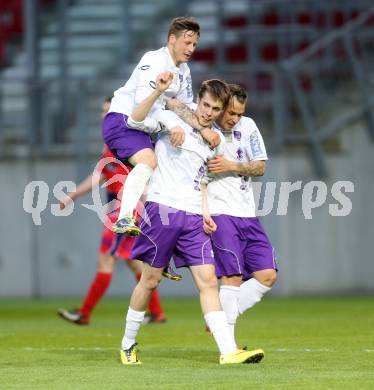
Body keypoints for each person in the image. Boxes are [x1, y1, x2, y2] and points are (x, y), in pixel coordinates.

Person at [119, 75, 264, 365]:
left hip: (194, 217)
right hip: (163, 211)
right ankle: (127, 344)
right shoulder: (170, 117)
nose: (208, 112)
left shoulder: (216, 141)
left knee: (209, 281)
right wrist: (172, 125)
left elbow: (204, 182)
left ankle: (228, 351)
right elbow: (136, 119)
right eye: (205, 105)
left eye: (214, 109)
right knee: (150, 280)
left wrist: (206, 212)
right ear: (198, 100)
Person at [170, 85, 278, 345]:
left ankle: (216, 315)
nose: (234, 118)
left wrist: (231, 166)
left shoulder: (248, 126)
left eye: (240, 114)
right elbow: (173, 103)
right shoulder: (202, 129)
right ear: (219, 107)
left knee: (268, 275)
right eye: (230, 112)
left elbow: (261, 167)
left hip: (248, 213)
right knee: (232, 277)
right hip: (220, 212)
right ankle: (228, 345)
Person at [102, 16, 220, 236]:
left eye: (194, 44)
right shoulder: (154, 60)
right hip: (123, 121)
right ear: (171, 39)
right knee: (148, 161)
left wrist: (204, 128)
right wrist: (171, 124)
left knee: (163, 180)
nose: (191, 48)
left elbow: (180, 106)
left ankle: (159, 250)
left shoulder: (183, 71)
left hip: (145, 126)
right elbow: (141, 107)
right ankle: (124, 216)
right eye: (187, 42)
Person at [57, 98, 167, 325]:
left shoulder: (128, 143)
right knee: (133, 263)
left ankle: (84, 313)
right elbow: (100, 176)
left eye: (108, 110)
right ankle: (157, 312)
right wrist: (73, 195)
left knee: (105, 263)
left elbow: (147, 171)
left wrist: (146, 201)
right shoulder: (112, 144)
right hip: (121, 212)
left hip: (123, 214)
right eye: (102, 111)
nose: (104, 115)